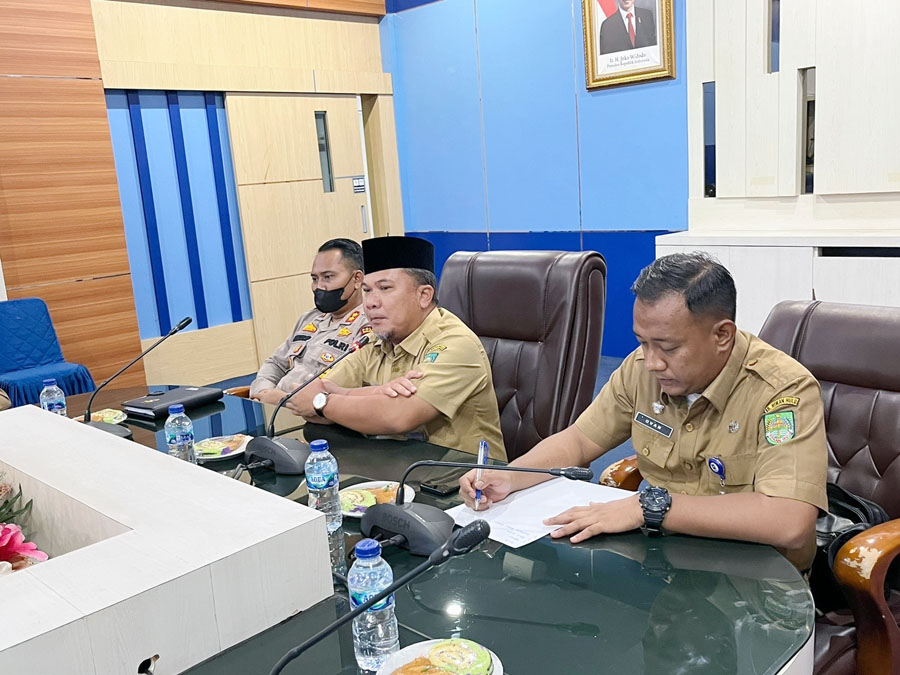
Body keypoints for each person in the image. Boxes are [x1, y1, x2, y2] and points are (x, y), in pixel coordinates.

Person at [461, 252, 827, 569]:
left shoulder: (781, 390)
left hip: (754, 580)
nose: (652, 362)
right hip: (667, 561)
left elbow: (789, 521)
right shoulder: (642, 369)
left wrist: (649, 508)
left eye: (668, 347)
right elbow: (578, 441)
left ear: (722, 335)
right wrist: (510, 477)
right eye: (643, 343)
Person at [286, 236, 506, 461]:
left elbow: (397, 416)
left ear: (424, 295)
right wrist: (375, 393)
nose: (370, 302)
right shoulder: (374, 341)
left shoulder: (456, 343)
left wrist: (323, 402)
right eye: (367, 290)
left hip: (462, 476)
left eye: (385, 288)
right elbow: (307, 394)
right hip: (392, 468)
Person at [249, 238, 370, 405]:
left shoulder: (368, 328)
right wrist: (263, 392)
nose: (318, 286)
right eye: (314, 278)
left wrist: (282, 401)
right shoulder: (310, 319)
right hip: (274, 408)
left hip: (312, 412)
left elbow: (345, 391)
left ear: (357, 279)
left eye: (328, 277)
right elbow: (275, 363)